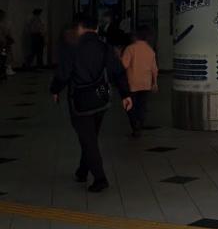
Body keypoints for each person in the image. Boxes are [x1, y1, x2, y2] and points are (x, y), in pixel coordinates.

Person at [50, 14, 132, 192]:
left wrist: (55, 90)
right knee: (90, 137)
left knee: (88, 140)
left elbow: (63, 74)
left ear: (79, 28)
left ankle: (100, 178)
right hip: (101, 98)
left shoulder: (72, 48)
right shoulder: (105, 48)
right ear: (96, 28)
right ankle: (82, 171)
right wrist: (126, 94)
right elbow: (118, 71)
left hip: (80, 100)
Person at [120, 26, 158, 137]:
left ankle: (135, 125)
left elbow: (124, 65)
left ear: (135, 37)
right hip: (146, 83)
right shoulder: (150, 50)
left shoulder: (130, 49)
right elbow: (154, 68)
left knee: (130, 105)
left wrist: (118, 57)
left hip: (132, 83)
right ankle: (140, 123)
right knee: (142, 105)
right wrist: (155, 82)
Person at [0, 10, 12, 80]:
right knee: (3, 58)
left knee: (3, 58)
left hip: (2, 44)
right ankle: (2, 73)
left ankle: (2, 73)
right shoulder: (2, 24)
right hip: (2, 44)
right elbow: (5, 33)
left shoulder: (2, 24)